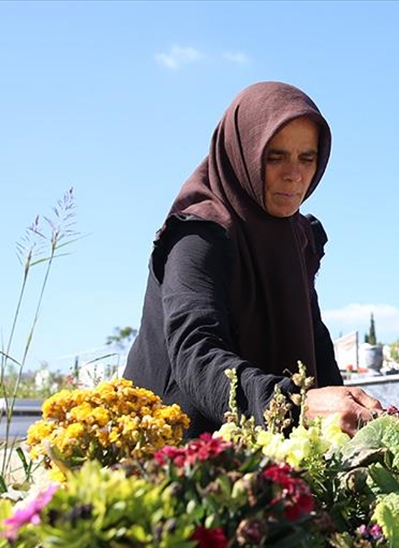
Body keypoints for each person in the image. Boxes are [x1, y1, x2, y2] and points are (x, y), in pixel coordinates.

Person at [124, 82, 383, 438]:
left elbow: (316, 345)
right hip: (179, 451)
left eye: (307, 158)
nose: (294, 174)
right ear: (243, 153)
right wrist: (297, 406)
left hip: (264, 447)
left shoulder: (297, 237)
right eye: (275, 156)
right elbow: (195, 354)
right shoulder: (199, 234)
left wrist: (355, 422)